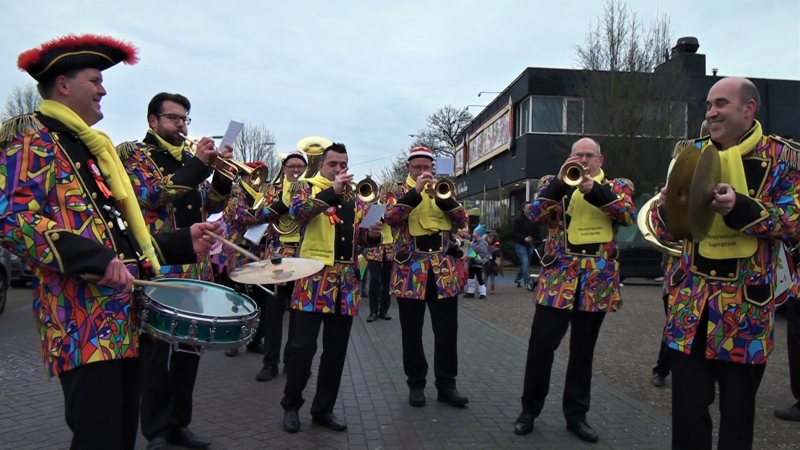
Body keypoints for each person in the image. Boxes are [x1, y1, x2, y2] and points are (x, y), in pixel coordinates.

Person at [0, 33, 219, 450]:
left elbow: (114, 233)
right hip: (81, 319)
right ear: (63, 85)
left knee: (120, 437)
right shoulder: (32, 141)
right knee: (98, 438)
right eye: (95, 80)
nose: (103, 90)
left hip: (123, 321)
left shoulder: (88, 149)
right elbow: (12, 219)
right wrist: (94, 259)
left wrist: (182, 242)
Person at [649, 77, 800, 449]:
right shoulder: (690, 154)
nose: (711, 113)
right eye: (708, 105)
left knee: (737, 419)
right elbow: (665, 230)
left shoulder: (783, 157)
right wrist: (667, 211)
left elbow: (794, 219)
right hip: (691, 309)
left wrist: (741, 208)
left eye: (721, 104)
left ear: (749, 109)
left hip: (745, 312)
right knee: (687, 418)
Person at [118, 92, 234, 450]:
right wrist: (199, 164)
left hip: (194, 269)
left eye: (185, 119)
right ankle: (155, 429)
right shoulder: (136, 155)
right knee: (155, 353)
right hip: (160, 265)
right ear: (153, 121)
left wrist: (222, 176)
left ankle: (180, 423)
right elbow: (153, 195)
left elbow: (208, 204)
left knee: (189, 352)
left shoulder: (188, 159)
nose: (181, 125)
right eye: (173, 118)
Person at [514, 137, 637, 443]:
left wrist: (595, 190)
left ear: (600, 160)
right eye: (578, 155)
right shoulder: (552, 182)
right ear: (570, 158)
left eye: (589, 155)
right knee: (541, 345)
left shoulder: (617, 186)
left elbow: (627, 216)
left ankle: (576, 415)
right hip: (558, 279)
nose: (583, 160)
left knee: (583, 351)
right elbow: (534, 216)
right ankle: (529, 410)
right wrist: (560, 184)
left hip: (596, 281)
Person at [280, 143, 383, 433]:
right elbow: (298, 212)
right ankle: (291, 406)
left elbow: (360, 239)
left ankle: (323, 409)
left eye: (343, 165)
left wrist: (372, 235)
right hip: (312, 280)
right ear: (321, 165)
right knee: (303, 348)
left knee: (336, 352)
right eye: (333, 164)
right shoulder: (304, 186)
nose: (339, 169)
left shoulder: (355, 197)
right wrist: (332, 191)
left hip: (346, 283)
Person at [384, 146, 469, 408]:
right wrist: (416, 192)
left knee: (447, 331)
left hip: (442, 269)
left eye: (427, 167)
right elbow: (390, 217)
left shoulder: (445, 189)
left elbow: (462, 220)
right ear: (408, 168)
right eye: (417, 167)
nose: (423, 171)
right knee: (411, 331)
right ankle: (416, 384)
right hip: (410, 270)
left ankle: (447, 385)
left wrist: (444, 200)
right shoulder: (396, 191)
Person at [254, 150, 307, 382]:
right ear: (283, 168)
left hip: (303, 257)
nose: (296, 170)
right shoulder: (271, 190)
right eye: (291, 166)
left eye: (300, 166)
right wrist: (285, 202)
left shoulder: (311, 189)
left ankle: (291, 362)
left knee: (298, 314)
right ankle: (270, 363)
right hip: (277, 256)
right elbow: (260, 215)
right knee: (274, 312)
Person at [364, 185, 396, 322]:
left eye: (388, 193)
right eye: (384, 193)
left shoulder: (395, 207)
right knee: (374, 280)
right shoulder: (373, 207)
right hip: (375, 246)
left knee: (387, 280)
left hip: (389, 246)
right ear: (379, 193)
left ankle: (384, 310)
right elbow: (367, 224)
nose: (386, 196)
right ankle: (373, 311)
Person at [513, 202, 538, 287]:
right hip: (520, 244)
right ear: (524, 209)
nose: (530, 210)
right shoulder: (518, 219)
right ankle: (527, 282)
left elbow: (536, 231)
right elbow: (515, 232)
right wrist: (524, 238)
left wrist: (541, 238)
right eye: (528, 208)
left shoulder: (532, 219)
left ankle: (518, 278)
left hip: (529, 244)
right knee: (524, 261)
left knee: (525, 264)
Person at [465, 225, 490, 299]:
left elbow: (483, 253)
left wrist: (473, 255)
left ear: (478, 234)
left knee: (479, 277)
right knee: (470, 277)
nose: (473, 232)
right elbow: (470, 252)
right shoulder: (472, 243)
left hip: (478, 263)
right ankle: (470, 292)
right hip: (472, 263)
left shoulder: (483, 243)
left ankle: (483, 293)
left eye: (474, 231)